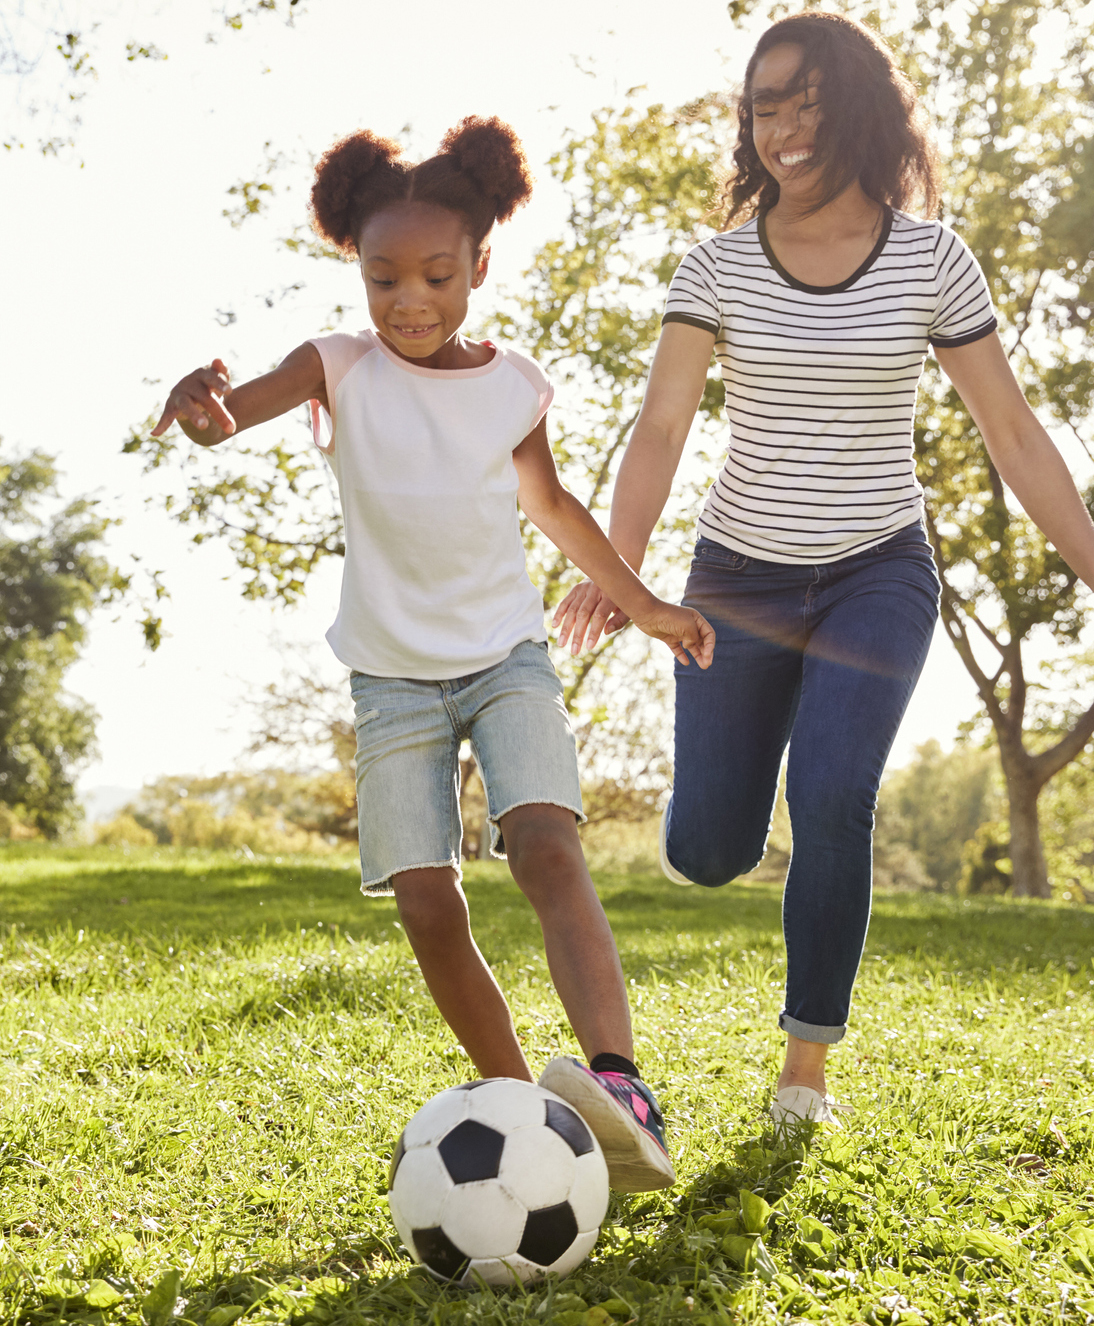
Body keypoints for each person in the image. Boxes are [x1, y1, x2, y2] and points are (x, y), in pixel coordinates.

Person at [552, 13, 1094, 1129]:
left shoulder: (931, 258)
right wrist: (624, 568)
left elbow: (1015, 434)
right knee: (707, 852)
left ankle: (806, 1071)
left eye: (806, 100)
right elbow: (659, 430)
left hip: (875, 574)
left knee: (834, 796)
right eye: (765, 106)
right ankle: (725, 833)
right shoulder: (716, 268)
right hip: (736, 581)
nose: (786, 128)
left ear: (855, 106)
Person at [149, 117, 716, 1191]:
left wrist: (641, 604)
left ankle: (620, 1084)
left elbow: (551, 504)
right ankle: (526, 1114)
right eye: (384, 278)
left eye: (437, 275)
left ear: (480, 266)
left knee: (547, 845)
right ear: (355, 273)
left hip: (505, 656)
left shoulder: (513, 386)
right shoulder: (338, 367)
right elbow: (232, 420)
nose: (410, 301)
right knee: (426, 903)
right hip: (393, 678)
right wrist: (201, 406)